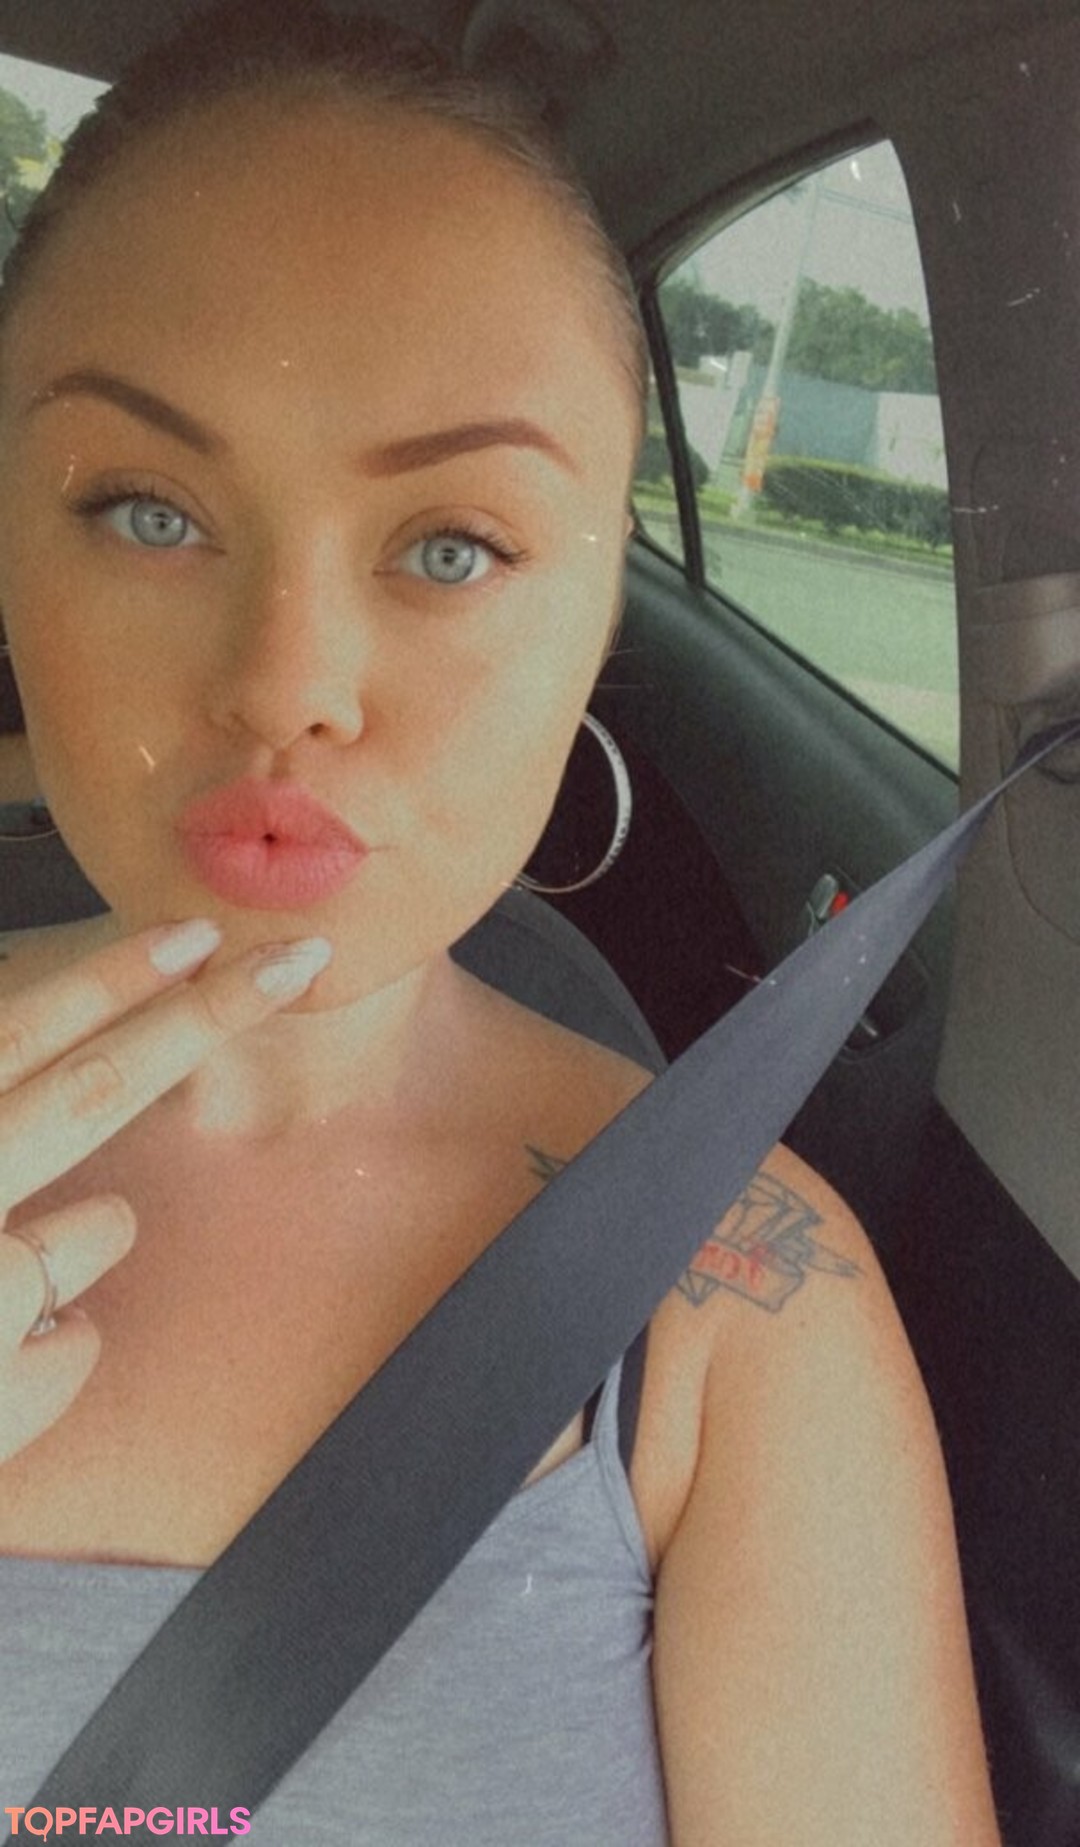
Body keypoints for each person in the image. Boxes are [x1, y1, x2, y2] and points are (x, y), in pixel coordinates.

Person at [0, 3, 1001, 1841]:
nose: (288, 685)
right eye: (146, 511)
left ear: (604, 609)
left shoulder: (741, 1305)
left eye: (452, 548)